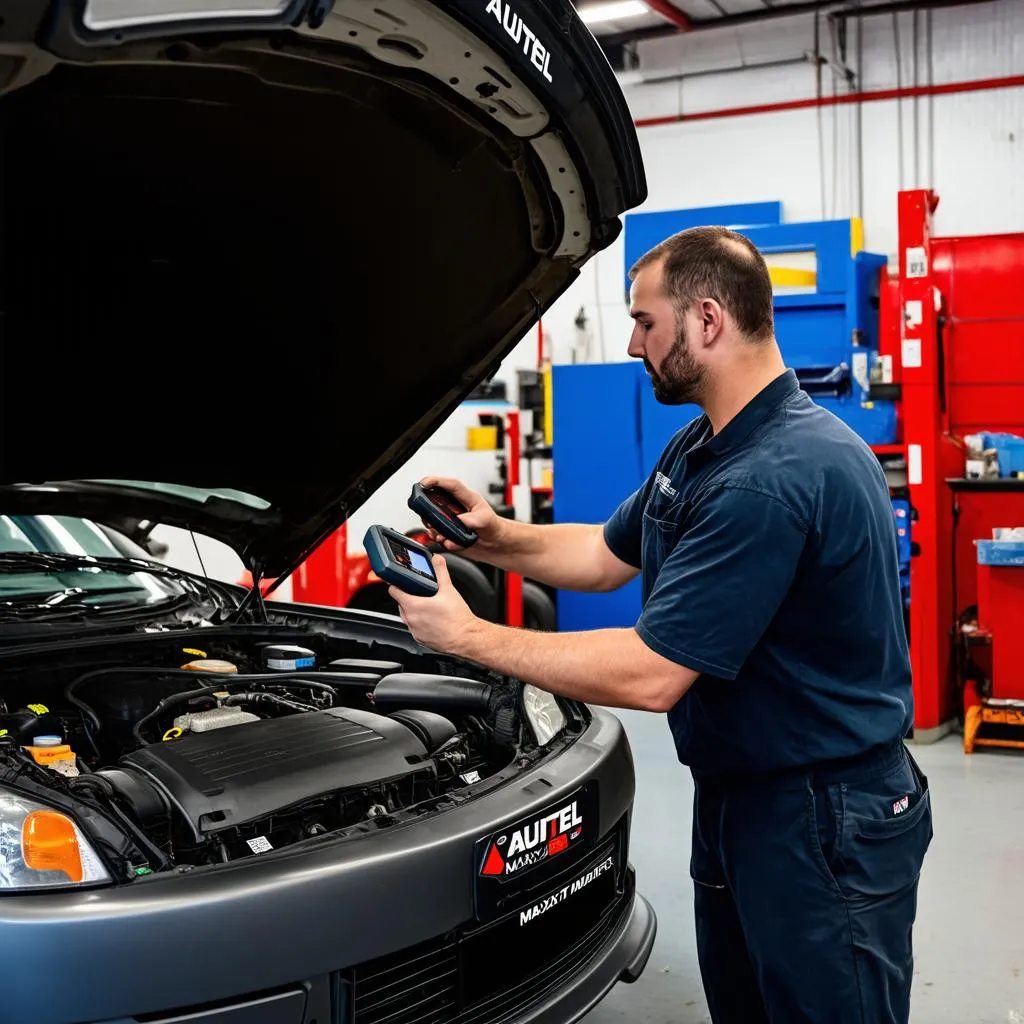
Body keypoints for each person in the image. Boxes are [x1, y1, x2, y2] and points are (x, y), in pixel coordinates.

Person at [389, 225, 933, 1024]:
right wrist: (493, 535)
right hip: (743, 796)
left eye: (646, 322)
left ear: (707, 321)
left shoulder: (775, 478)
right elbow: (606, 555)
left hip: (822, 816)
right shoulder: (707, 446)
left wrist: (466, 637)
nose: (637, 344)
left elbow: (651, 673)